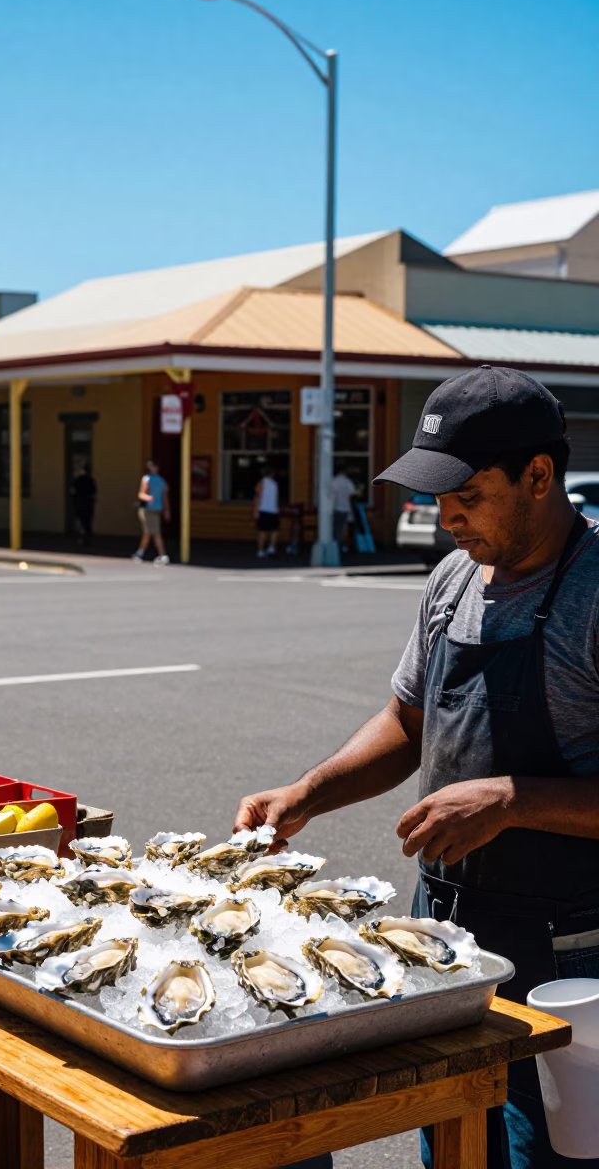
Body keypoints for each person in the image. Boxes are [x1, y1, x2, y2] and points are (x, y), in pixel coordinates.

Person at [235, 366, 599, 1169]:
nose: (446, 518)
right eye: (437, 498)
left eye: (464, 492)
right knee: (456, 1139)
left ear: (539, 476)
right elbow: (408, 720)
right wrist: (307, 794)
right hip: (446, 933)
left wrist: (512, 799)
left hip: (571, 951)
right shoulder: (452, 581)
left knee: (553, 1153)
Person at [133, 459, 170, 565]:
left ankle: (140, 553)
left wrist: (167, 510)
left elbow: (165, 497)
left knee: (148, 532)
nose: (152, 469)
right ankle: (162, 554)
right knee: (154, 532)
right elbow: (141, 494)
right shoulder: (146, 479)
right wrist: (148, 497)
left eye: (154, 467)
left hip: (157, 509)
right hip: (147, 510)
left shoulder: (162, 482)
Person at [253, 465, 281, 558]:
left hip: (263, 509)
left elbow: (258, 496)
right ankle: (272, 547)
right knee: (274, 530)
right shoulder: (274, 484)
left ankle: (260, 550)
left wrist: (256, 510)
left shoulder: (261, 483)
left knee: (262, 531)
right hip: (273, 510)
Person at [330, 463, 357, 553]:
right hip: (345, 508)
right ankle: (343, 546)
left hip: (335, 508)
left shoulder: (333, 481)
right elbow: (353, 493)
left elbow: (330, 496)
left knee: (335, 528)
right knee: (344, 529)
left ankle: (336, 545)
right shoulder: (347, 481)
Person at [71, 463, 97, 546]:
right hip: (88, 502)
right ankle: (86, 539)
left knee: (80, 521)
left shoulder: (78, 479)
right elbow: (94, 493)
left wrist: (74, 500)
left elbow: (72, 491)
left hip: (79, 502)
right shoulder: (90, 480)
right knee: (87, 522)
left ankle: (80, 538)